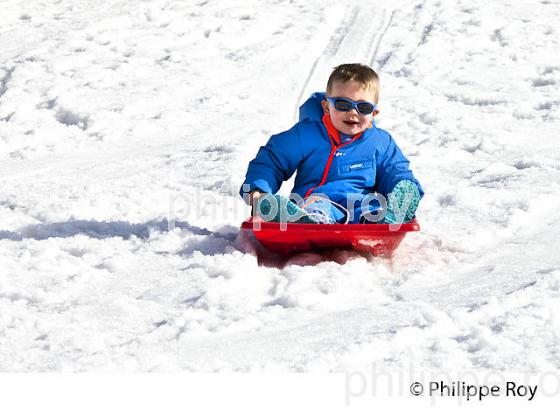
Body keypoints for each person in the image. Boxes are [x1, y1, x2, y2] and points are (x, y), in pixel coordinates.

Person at [239, 63, 423, 224]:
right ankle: (307, 223)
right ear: (327, 107)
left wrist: (402, 190)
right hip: (316, 200)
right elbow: (272, 159)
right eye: (343, 105)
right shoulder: (307, 134)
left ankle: (382, 223)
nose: (353, 113)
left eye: (364, 107)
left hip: (361, 204)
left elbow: (395, 170)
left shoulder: (380, 142)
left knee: (374, 210)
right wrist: (259, 191)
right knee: (317, 207)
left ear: (374, 113)